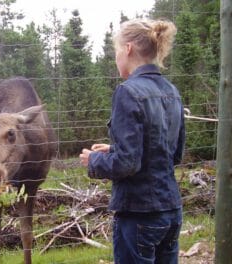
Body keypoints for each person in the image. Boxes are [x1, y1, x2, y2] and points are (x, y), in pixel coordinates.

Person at [79, 18, 185, 264]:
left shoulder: (128, 92)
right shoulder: (172, 91)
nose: (116, 58)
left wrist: (94, 160)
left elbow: (127, 164)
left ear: (128, 49)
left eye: (116, 50)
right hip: (171, 211)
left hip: (139, 214)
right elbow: (173, 153)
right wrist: (114, 149)